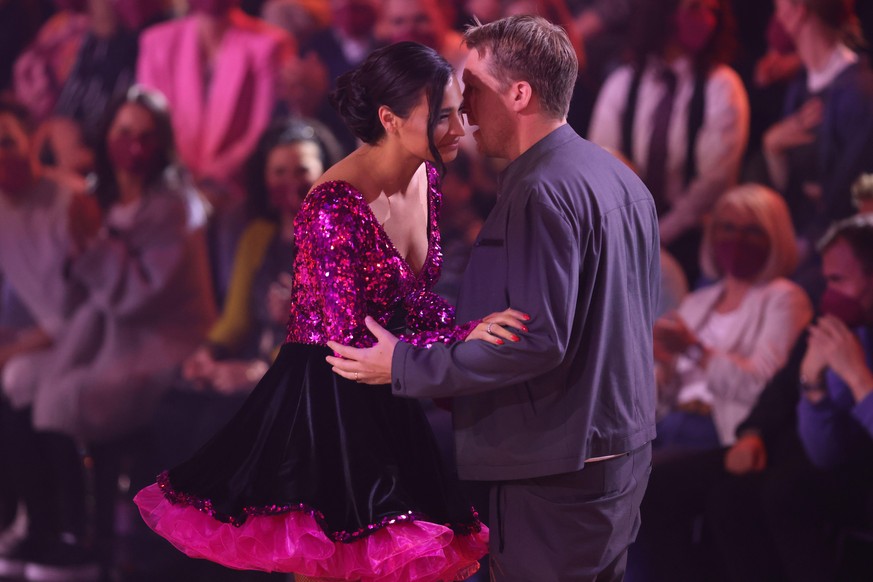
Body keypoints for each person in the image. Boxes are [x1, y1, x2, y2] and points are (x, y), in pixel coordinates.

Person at [134, 41, 524, 581]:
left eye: (459, 112)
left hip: (387, 385)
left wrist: (467, 331)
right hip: (327, 406)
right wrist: (462, 342)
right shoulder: (333, 203)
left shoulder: (427, 176)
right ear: (390, 119)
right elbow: (348, 338)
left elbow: (411, 301)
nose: (461, 130)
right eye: (442, 117)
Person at [328, 15, 660, 581]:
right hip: (617, 455)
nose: (465, 113)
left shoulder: (539, 190)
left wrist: (404, 364)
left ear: (520, 93)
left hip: (554, 470)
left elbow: (535, 341)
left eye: (473, 91)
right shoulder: (619, 178)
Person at [587, 0, 749, 285]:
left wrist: (658, 235)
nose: (707, 21)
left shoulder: (722, 86)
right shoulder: (624, 83)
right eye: (695, 7)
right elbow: (600, 162)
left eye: (714, 12)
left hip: (696, 243)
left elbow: (713, 183)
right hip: (626, 236)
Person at [653, 184, 812, 451]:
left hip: (719, 433)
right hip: (669, 423)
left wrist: (694, 349)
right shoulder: (698, 301)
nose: (736, 239)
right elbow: (662, 397)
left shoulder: (784, 298)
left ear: (775, 237)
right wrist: (664, 365)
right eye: (727, 228)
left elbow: (762, 386)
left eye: (752, 231)